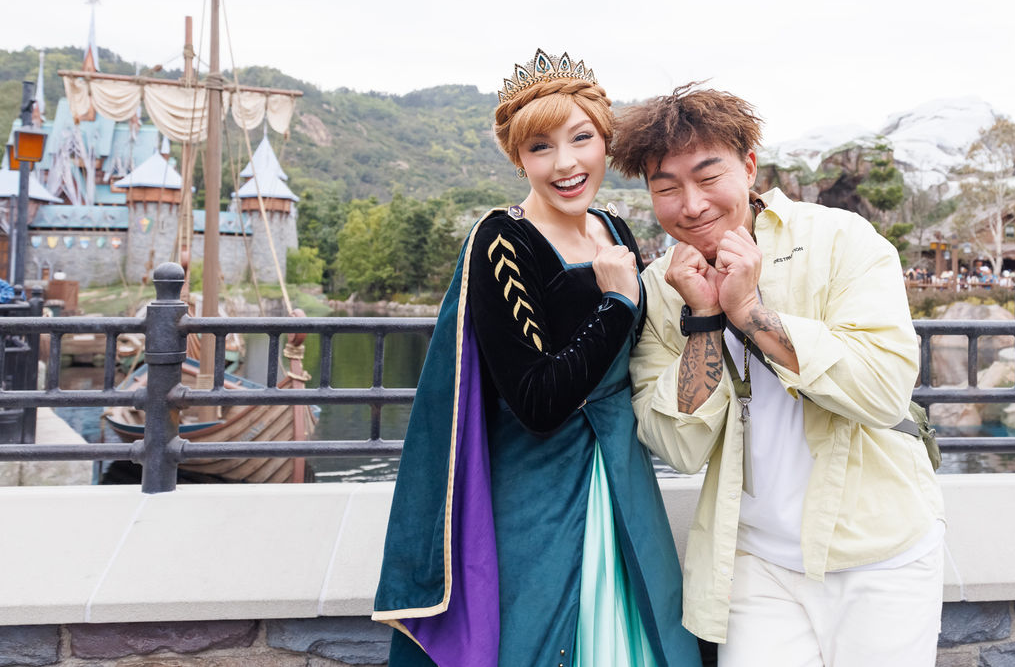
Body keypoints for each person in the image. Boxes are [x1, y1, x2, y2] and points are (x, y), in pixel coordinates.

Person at [373, 51, 701, 667]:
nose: (565, 163)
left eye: (581, 138)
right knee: (538, 641)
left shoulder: (614, 229)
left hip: (623, 474)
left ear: (605, 141)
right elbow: (537, 403)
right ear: (518, 158)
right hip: (539, 492)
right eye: (540, 147)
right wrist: (615, 304)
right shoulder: (502, 240)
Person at [610, 84, 945, 667]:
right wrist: (705, 319)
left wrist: (748, 312)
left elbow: (883, 391)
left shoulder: (839, 239)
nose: (691, 205)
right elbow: (679, 448)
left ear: (748, 167)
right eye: (667, 187)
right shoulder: (661, 288)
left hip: (880, 552)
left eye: (708, 176)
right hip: (751, 561)